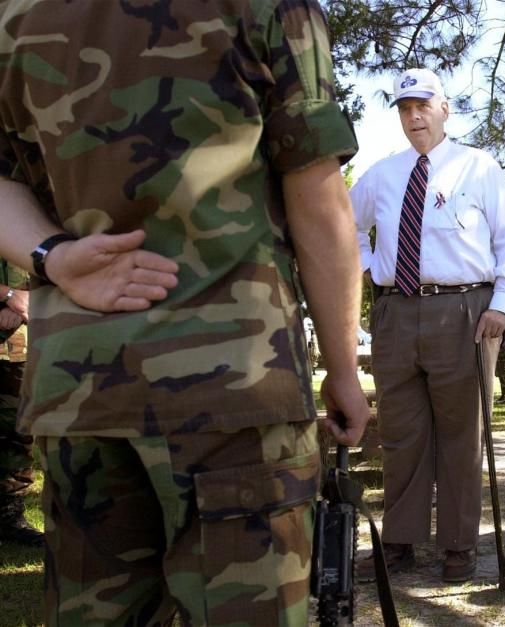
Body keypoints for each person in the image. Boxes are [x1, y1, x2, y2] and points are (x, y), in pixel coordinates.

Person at [0, 2, 370, 624]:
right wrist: (343, 371)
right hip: (233, 388)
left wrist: (50, 256)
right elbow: (318, 199)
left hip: (79, 393)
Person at [352, 67, 505, 583]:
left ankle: (458, 545)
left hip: (465, 312)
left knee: (460, 434)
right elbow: (343, 223)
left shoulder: (479, 167)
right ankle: (400, 542)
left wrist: (503, 303)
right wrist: (368, 266)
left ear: (444, 108)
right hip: (395, 311)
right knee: (402, 434)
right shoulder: (382, 173)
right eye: (405, 108)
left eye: (422, 106)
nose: (413, 116)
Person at [0, 259, 41, 547]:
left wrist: (25, 305)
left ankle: (9, 516)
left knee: (18, 432)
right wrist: (9, 297)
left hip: (21, 343)